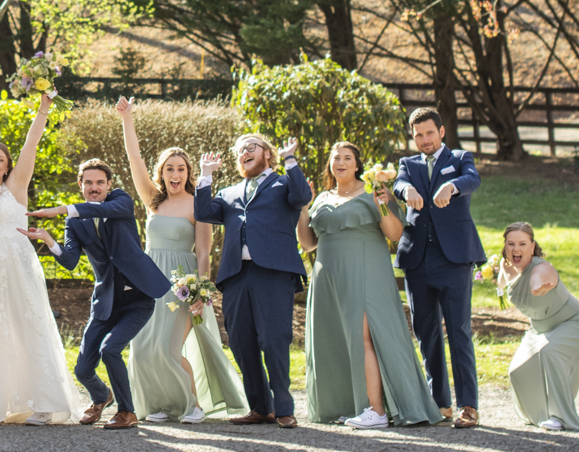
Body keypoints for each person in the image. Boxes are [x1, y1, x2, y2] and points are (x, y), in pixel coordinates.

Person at [297, 142, 442, 429]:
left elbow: (395, 234)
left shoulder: (373, 192)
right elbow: (308, 242)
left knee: (364, 336)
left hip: (364, 273)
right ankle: (352, 405)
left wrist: (383, 205)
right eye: (335, 157)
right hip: (328, 278)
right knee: (337, 338)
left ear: (357, 164)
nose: (340, 162)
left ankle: (376, 409)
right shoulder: (323, 197)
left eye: (347, 158)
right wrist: (303, 206)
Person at [115, 98, 242, 422]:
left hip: (180, 283)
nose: (175, 173)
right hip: (148, 282)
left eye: (181, 168)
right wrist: (127, 118)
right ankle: (161, 405)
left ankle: (192, 405)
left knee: (168, 349)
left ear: (188, 174)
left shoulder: (198, 204)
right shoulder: (153, 201)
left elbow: (203, 251)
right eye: (169, 168)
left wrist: (200, 291)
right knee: (143, 349)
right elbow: (134, 159)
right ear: (162, 173)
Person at [0, 91, 84, 424]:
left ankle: (45, 402)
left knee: (28, 326)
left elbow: (30, 145)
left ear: (7, 166)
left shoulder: (16, 185)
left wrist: (43, 110)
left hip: (16, 264)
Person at [27, 160, 174, 429]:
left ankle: (126, 412)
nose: (94, 188)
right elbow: (70, 260)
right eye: (88, 183)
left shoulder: (121, 201)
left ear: (109, 185)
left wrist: (61, 210)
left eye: (99, 183)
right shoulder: (75, 222)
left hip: (137, 298)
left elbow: (107, 209)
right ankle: (100, 396)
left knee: (110, 350)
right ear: (81, 185)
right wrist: (49, 239)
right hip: (106, 301)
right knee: (82, 369)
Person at [196, 132, 310, 427]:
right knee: (240, 342)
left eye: (250, 147)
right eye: (239, 150)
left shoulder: (284, 183)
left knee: (274, 340)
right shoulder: (229, 192)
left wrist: (291, 159)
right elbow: (203, 212)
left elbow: (301, 197)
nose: (243, 152)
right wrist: (205, 176)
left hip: (273, 273)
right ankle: (261, 408)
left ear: (267, 153)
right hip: (236, 275)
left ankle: (284, 409)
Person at [392, 106, 485, 428]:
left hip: (454, 258)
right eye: (418, 135)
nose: (424, 140)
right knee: (426, 332)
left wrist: (452, 186)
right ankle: (439, 403)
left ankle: (469, 406)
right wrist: (407, 191)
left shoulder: (460, 158)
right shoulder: (408, 164)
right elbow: (398, 185)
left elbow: (472, 180)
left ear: (441, 132)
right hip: (418, 259)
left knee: (459, 331)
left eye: (429, 133)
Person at [498, 221, 579, 430]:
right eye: (511, 244)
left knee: (551, 353)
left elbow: (539, 277)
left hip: (574, 321)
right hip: (540, 328)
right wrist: (498, 283)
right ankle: (538, 415)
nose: (516, 249)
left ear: (532, 247)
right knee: (517, 370)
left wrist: (538, 287)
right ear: (505, 246)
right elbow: (503, 280)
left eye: (523, 244)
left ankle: (560, 416)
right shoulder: (506, 266)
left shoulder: (542, 268)